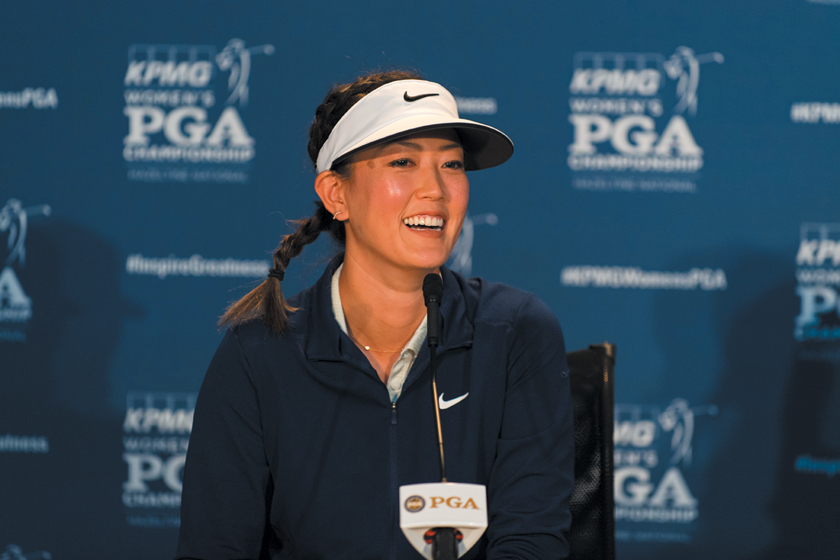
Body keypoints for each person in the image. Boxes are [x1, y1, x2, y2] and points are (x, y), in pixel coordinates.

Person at [176, 70, 574, 559]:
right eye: (403, 161)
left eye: (452, 165)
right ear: (336, 194)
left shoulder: (516, 332)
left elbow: (531, 542)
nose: (436, 190)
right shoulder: (256, 353)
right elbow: (215, 547)